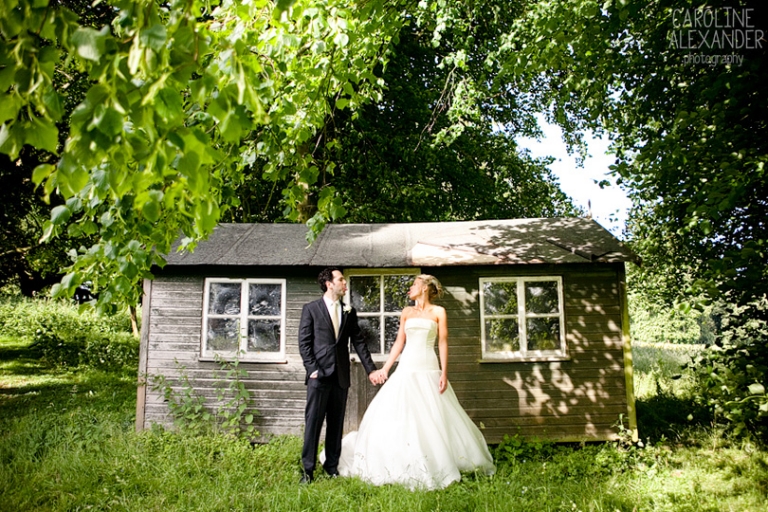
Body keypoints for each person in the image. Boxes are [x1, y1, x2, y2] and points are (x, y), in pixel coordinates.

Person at [328, 274, 496, 490]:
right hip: (407, 366)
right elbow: (399, 342)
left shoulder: (438, 312)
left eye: (415, 284)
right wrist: (386, 368)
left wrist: (444, 372)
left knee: (433, 413)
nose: (411, 288)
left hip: (428, 366)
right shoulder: (407, 312)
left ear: (425, 288)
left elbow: (443, 343)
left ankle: (439, 457)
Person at [298, 267, 383, 484]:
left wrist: (370, 369)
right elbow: (304, 342)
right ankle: (307, 471)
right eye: (341, 280)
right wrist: (312, 369)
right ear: (329, 284)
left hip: (341, 377)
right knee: (313, 423)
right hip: (319, 376)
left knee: (336, 424)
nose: (345, 283)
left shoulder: (349, 311)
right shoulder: (311, 309)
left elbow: (359, 342)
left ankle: (331, 466)